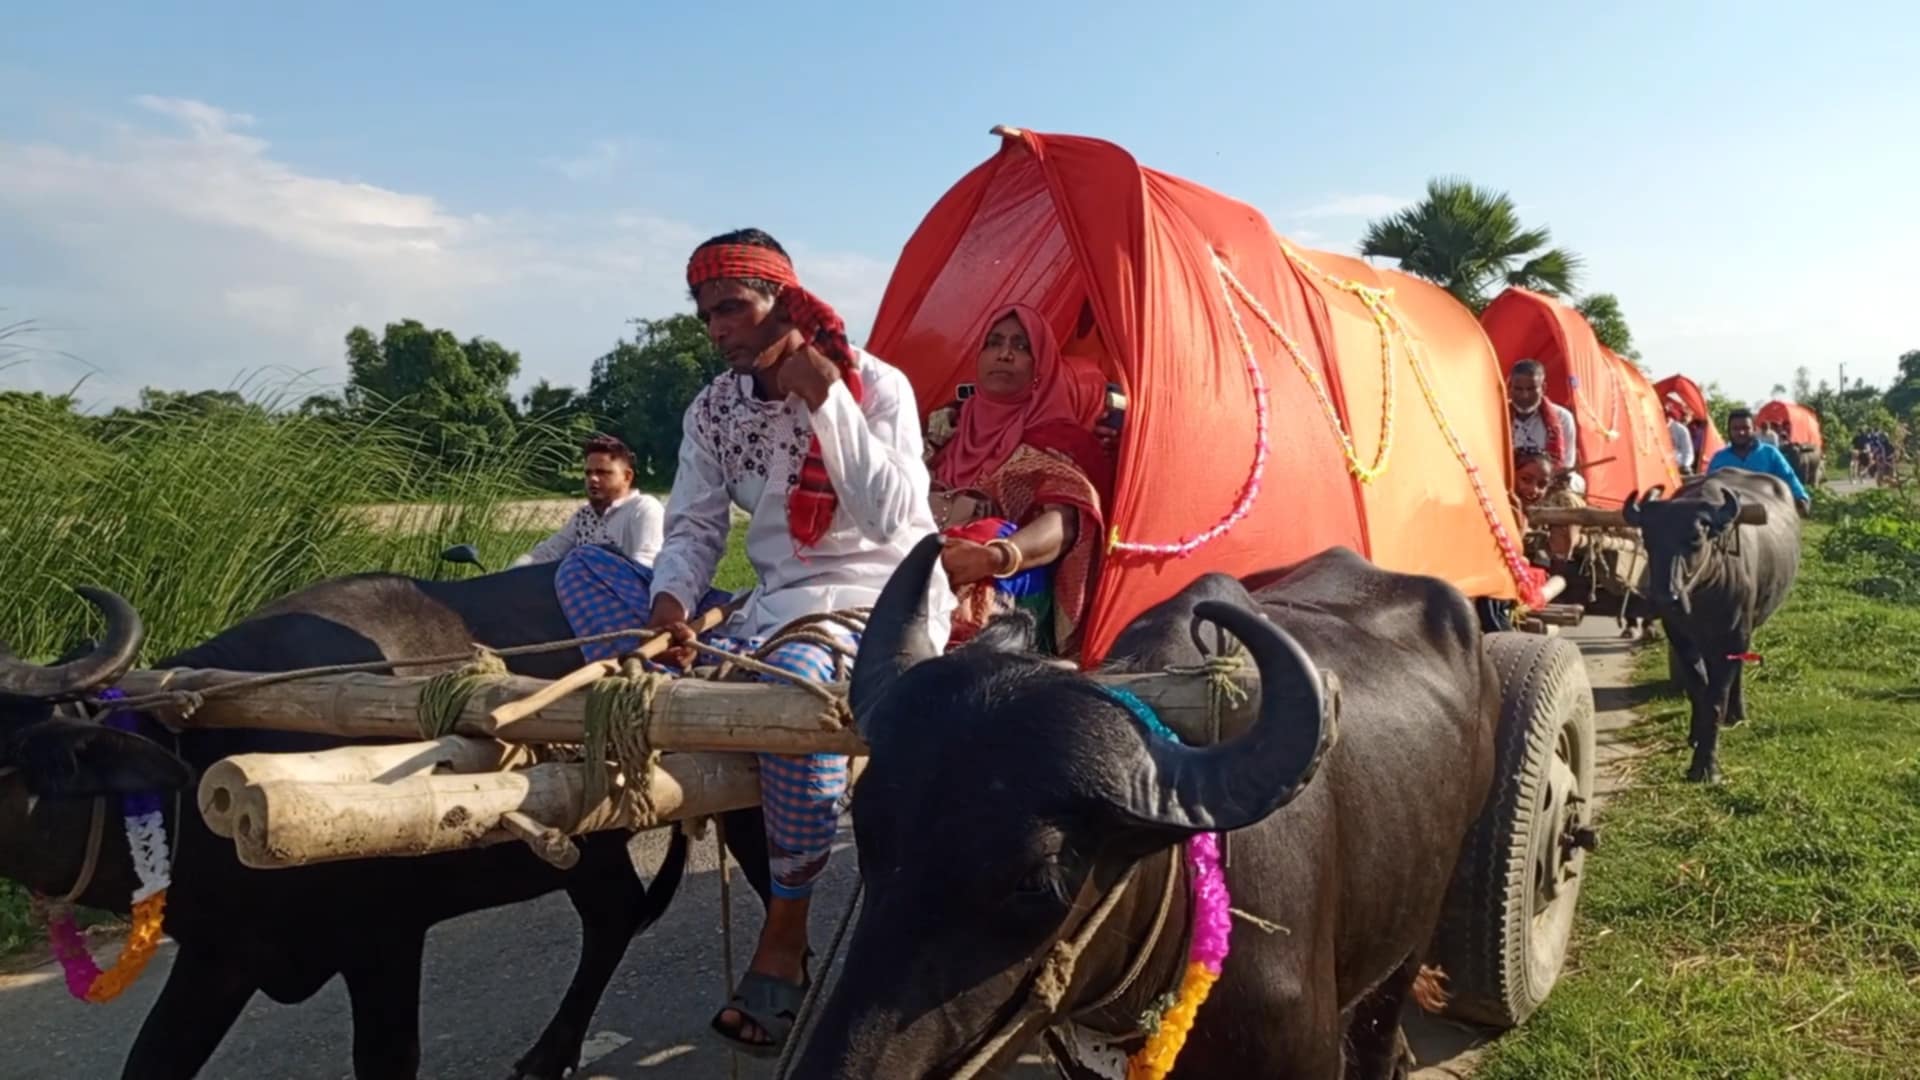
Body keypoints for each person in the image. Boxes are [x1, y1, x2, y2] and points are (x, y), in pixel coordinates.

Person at [550, 228, 952, 1055]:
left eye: (730, 308)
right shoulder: (714, 407)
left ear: (781, 301)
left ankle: (786, 933)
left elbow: (892, 520)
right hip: (770, 606)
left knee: (792, 690)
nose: (717, 330)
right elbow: (694, 525)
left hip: (873, 600)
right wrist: (668, 603)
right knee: (586, 572)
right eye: (705, 316)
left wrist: (824, 398)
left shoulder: (877, 384)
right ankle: (662, 699)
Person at [923, 304, 1112, 654]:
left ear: (1040, 368)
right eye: (994, 343)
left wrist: (997, 555)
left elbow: (1068, 521)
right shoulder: (944, 430)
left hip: (1004, 580)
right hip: (925, 567)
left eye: (1022, 347)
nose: (1005, 354)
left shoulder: (1059, 439)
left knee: (990, 529)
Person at [511, 435, 665, 568]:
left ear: (627, 476)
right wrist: (507, 575)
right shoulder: (584, 515)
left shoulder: (643, 508)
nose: (593, 479)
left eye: (603, 472)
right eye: (588, 473)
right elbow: (548, 553)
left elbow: (647, 564)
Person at [1707, 409, 1811, 516]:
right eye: (1736, 429)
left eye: (1745, 428)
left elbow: (1788, 476)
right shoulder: (1719, 458)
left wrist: (1801, 496)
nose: (1741, 432)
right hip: (1726, 513)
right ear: (1729, 431)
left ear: (1754, 429)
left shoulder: (1770, 453)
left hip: (1766, 512)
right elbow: (1708, 485)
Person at [1509, 359, 1583, 493]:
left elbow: (1565, 465)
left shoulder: (1563, 418)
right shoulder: (1497, 413)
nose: (1524, 395)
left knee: (1574, 483)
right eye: (1518, 389)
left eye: (1531, 389)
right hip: (1507, 482)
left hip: (1546, 486)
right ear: (1510, 387)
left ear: (1543, 388)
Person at [1664, 393, 1697, 474]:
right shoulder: (1652, 427)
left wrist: (1684, 465)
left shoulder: (1680, 429)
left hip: (1676, 467)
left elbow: (1688, 452)